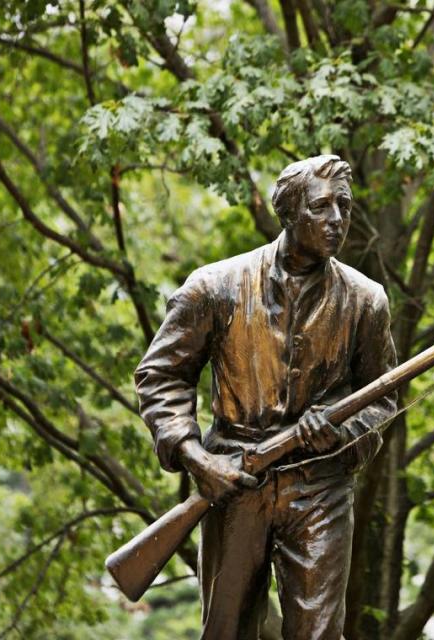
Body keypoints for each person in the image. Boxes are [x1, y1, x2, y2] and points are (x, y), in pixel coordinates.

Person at [134, 155, 397, 639]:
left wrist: (341, 433)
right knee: (226, 630)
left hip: (321, 487)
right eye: (321, 207)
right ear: (290, 212)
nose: (336, 220)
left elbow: (382, 399)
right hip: (234, 478)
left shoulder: (366, 300)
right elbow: (161, 375)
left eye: (345, 206)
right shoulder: (216, 287)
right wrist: (197, 459)